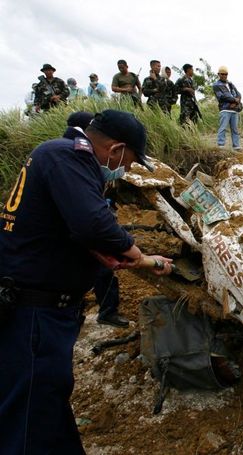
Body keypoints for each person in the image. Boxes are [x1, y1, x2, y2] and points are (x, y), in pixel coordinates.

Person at [0, 109, 173, 453]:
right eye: (130, 161)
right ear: (116, 148)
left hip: (39, 306)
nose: (126, 170)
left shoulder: (56, 155)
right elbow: (93, 223)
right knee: (30, 411)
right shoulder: (68, 157)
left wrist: (107, 251)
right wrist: (139, 256)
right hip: (34, 310)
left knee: (45, 398)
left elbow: (74, 227)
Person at [65, 112, 130, 327]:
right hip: (78, 236)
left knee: (101, 270)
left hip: (86, 228)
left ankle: (104, 311)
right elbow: (92, 222)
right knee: (95, 269)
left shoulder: (69, 156)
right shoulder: (72, 157)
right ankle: (98, 311)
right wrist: (131, 249)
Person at [211, 66, 241, 149]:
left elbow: (239, 94)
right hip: (224, 109)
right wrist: (234, 100)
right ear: (219, 74)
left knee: (235, 129)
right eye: (222, 74)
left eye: (226, 74)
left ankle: (236, 146)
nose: (224, 75)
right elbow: (221, 97)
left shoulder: (230, 84)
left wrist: (235, 103)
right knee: (223, 128)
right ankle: (221, 145)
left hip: (234, 110)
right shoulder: (216, 85)